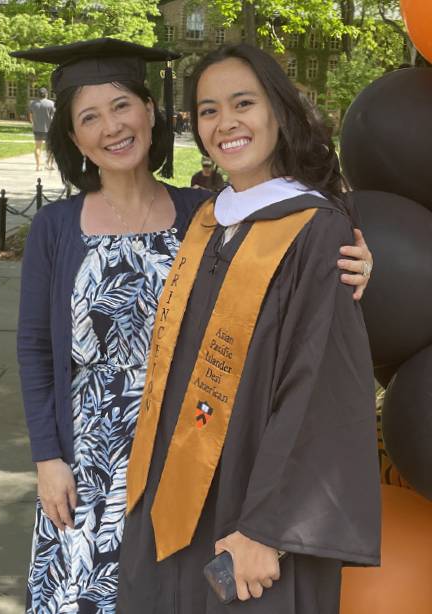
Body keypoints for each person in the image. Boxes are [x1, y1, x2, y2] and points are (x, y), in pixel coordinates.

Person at [10, 38, 375, 613]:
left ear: (150, 113)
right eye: (89, 117)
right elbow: (35, 349)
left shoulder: (202, 215)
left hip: (195, 451)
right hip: (90, 460)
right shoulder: (59, 227)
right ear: (73, 137)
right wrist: (48, 458)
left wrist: (355, 265)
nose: (112, 126)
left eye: (122, 105)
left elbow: (284, 322)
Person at [118, 43, 381, 614]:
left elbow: (321, 387)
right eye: (208, 110)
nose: (225, 122)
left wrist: (268, 527)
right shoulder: (210, 223)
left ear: (279, 112)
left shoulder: (316, 231)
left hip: (253, 513)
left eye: (243, 103)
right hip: (177, 496)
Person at [29, 86, 56, 171]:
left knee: (38, 147)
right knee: (50, 148)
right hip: (49, 129)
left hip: (37, 129)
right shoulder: (51, 103)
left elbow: (30, 116)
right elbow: (54, 117)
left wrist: (33, 123)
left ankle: (38, 166)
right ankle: (49, 165)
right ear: (46, 94)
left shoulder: (33, 103)